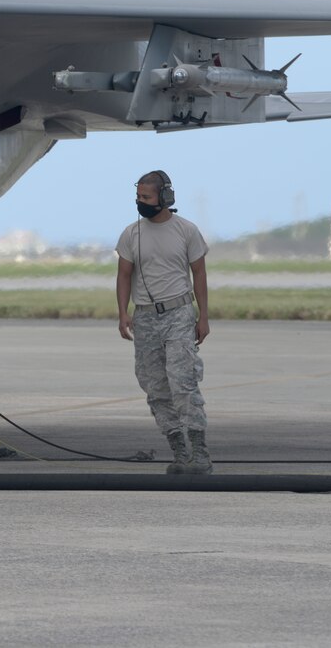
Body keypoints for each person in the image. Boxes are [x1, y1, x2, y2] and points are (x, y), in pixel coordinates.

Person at [116, 170, 212, 475]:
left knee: (183, 382)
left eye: (146, 197)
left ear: (165, 197)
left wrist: (203, 317)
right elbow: (124, 275)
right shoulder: (132, 234)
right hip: (145, 316)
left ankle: (200, 453)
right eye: (138, 197)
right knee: (155, 387)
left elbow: (199, 274)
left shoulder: (187, 230)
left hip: (179, 313)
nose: (140, 202)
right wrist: (123, 313)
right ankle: (180, 452)